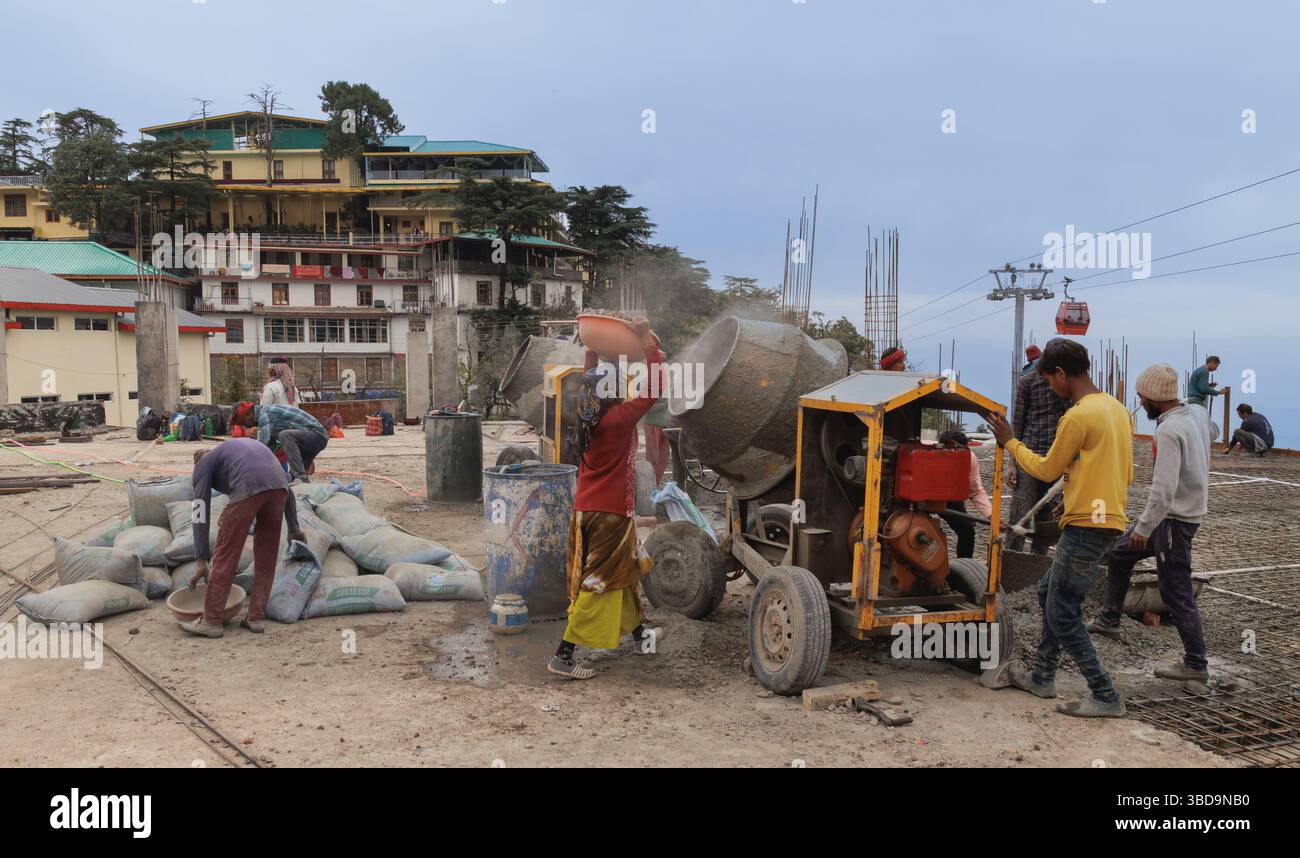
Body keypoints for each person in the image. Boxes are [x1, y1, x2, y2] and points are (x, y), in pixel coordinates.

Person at [985, 338, 1133, 718]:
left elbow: (1047, 469)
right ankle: (1043, 675)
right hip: (1106, 519)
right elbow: (1124, 472)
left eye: (1050, 380)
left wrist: (1011, 442)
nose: (1050, 387)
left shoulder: (1078, 415)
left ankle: (1104, 694)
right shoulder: (1118, 410)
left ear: (1062, 374)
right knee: (1052, 590)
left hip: (1086, 523)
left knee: (1064, 610)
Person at [548, 322, 666, 680]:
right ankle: (563, 655)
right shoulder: (618, 419)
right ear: (613, 391)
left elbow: (590, 376)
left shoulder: (587, 416)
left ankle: (640, 634)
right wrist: (650, 349)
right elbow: (656, 388)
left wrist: (592, 347)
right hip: (611, 515)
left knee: (626, 575)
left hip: (589, 511)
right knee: (599, 583)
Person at [1086, 363, 1210, 682]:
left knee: (1176, 591)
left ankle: (1196, 664)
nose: (1140, 402)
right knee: (1120, 553)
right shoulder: (1192, 417)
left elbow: (1164, 489)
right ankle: (1109, 618)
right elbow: (1213, 432)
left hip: (1172, 521)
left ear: (1156, 396)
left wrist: (1144, 528)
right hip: (1175, 515)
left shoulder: (1168, 430)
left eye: (1142, 396)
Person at [181, 439, 304, 638]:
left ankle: (211, 621)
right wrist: (293, 529)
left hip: (249, 485)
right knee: (267, 557)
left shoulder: (203, 464)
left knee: (225, 555)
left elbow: (200, 510)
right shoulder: (234, 452)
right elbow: (286, 488)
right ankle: (256, 618)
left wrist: (201, 558)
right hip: (279, 489)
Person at [1007, 340, 1069, 554]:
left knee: (1048, 520)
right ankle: (1011, 563)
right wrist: (1012, 464)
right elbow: (1017, 424)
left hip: (1057, 460)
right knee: (1019, 515)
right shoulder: (1027, 383)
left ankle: (1035, 566)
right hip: (1029, 458)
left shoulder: (1065, 385)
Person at [234, 401, 329, 483]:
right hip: (310, 439)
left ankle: (301, 476)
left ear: (249, 414)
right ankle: (300, 475)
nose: (247, 426)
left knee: (285, 435)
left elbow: (261, 446)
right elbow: (269, 447)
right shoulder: (265, 418)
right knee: (290, 477)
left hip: (317, 435)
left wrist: (245, 464)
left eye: (244, 422)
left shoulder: (264, 414)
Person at [935, 430, 991, 559]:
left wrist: (990, 514)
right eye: (948, 449)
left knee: (966, 530)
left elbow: (975, 490)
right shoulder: (929, 453)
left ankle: (965, 565)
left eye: (957, 451)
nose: (952, 454)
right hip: (919, 495)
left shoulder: (969, 459)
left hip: (950, 496)